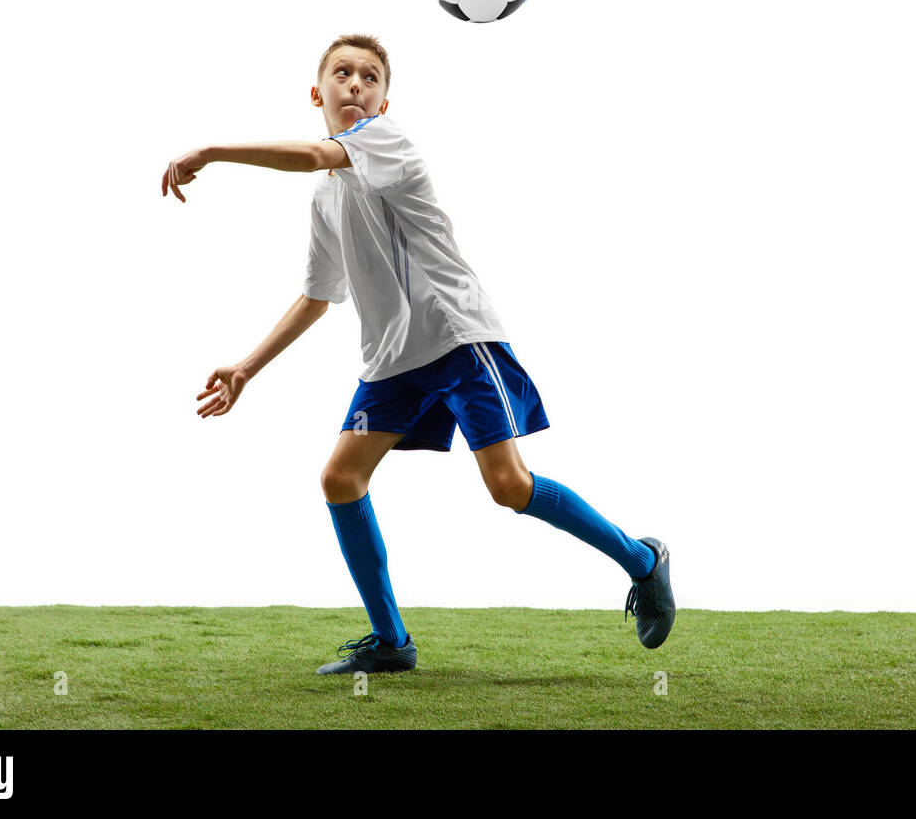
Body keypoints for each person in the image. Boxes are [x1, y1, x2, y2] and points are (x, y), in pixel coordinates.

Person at [160, 33, 674, 674]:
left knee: (509, 487)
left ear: (383, 100)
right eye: (342, 74)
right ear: (317, 93)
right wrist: (245, 368)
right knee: (340, 479)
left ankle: (643, 560)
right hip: (393, 362)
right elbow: (317, 298)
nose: (355, 84)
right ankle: (391, 642)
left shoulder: (384, 140)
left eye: (369, 77)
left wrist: (212, 151)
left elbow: (316, 153)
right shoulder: (324, 196)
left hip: (457, 338)